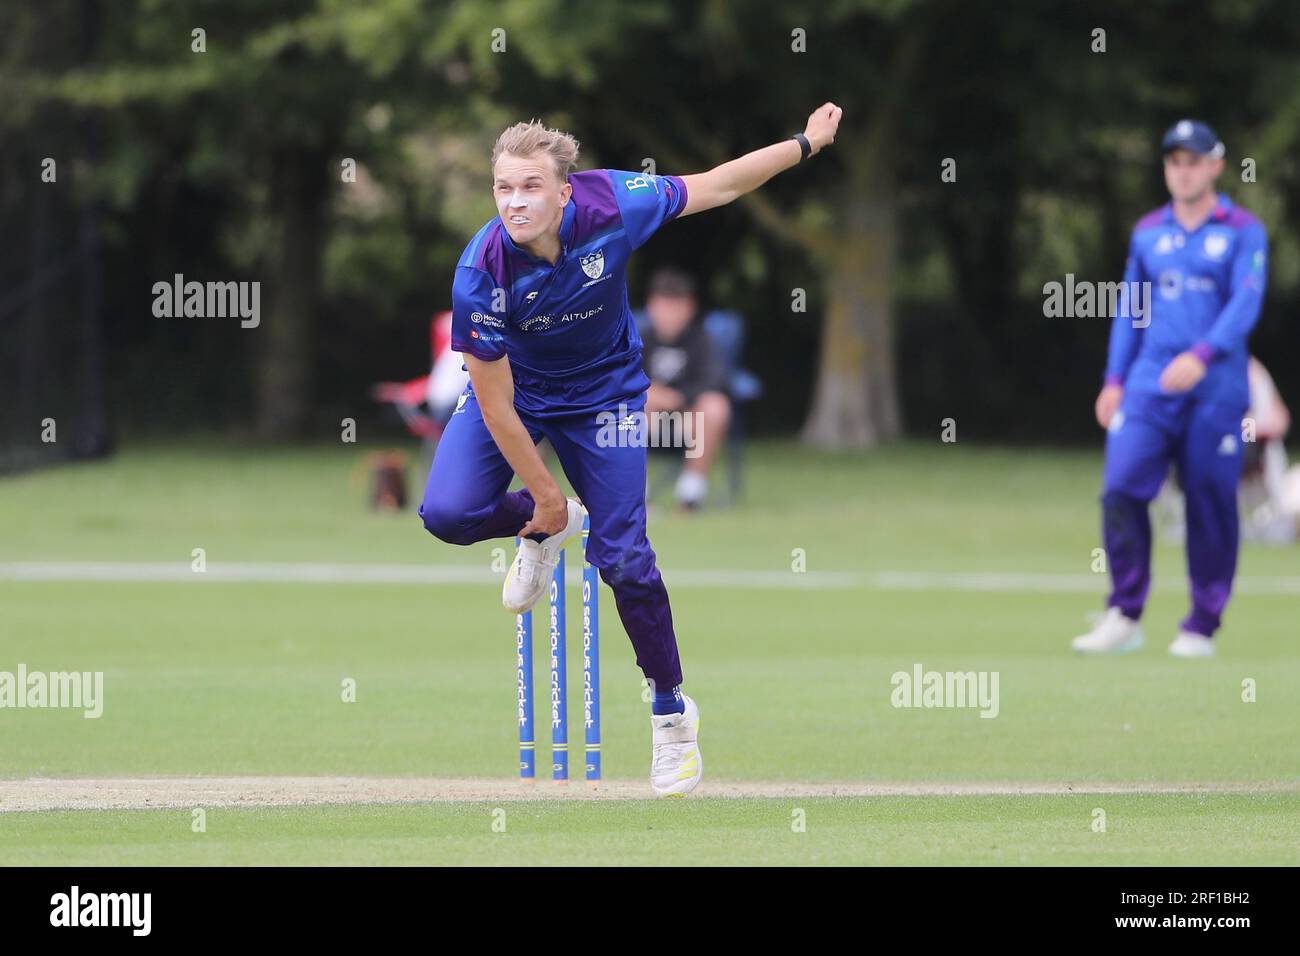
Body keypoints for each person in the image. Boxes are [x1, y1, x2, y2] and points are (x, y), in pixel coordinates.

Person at [418, 105, 843, 793]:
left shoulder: (613, 200)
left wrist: (804, 144)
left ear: (565, 189)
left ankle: (672, 714)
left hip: (606, 399)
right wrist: (549, 501)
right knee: (447, 514)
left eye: (530, 186)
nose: (515, 202)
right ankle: (548, 525)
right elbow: (494, 405)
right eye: (503, 188)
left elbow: (717, 185)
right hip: (517, 396)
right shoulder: (481, 272)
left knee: (626, 562)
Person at [1073, 119, 1268, 658]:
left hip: (1216, 390)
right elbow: (1129, 310)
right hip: (1148, 387)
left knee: (1209, 500)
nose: (1183, 171)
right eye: (1174, 162)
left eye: (1193, 161)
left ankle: (1201, 623)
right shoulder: (1147, 233)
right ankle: (1125, 613)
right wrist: (1114, 379)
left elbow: (1245, 304)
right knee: (1120, 488)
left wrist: (1201, 355)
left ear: (1215, 166)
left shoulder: (1243, 230)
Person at [640, 267, 732, 509]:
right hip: (646, 420)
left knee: (716, 406)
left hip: (690, 420)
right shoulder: (638, 339)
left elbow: (715, 381)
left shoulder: (702, 341)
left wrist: (677, 397)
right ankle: (638, 494)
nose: (668, 314)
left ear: (689, 307)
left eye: (675, 306)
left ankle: (690, 495)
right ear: (651, 306)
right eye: (663, 306)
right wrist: (652, 393)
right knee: (633, 404)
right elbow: (619, 379)